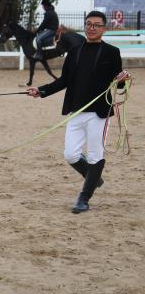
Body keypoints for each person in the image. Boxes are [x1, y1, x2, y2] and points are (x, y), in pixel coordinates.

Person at [27, 11, 130, 213]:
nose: (91, 28)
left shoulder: (112, 52)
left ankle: (84, 198)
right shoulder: (75, 51)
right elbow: (64, 81)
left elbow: (118, 86)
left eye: (96, 25)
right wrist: (42, 90)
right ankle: (94, 177)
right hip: (75, 111)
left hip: (98, 113)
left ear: (104, 29)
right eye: (88, 24)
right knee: (71, 155)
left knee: (94, 155)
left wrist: (122, 80)